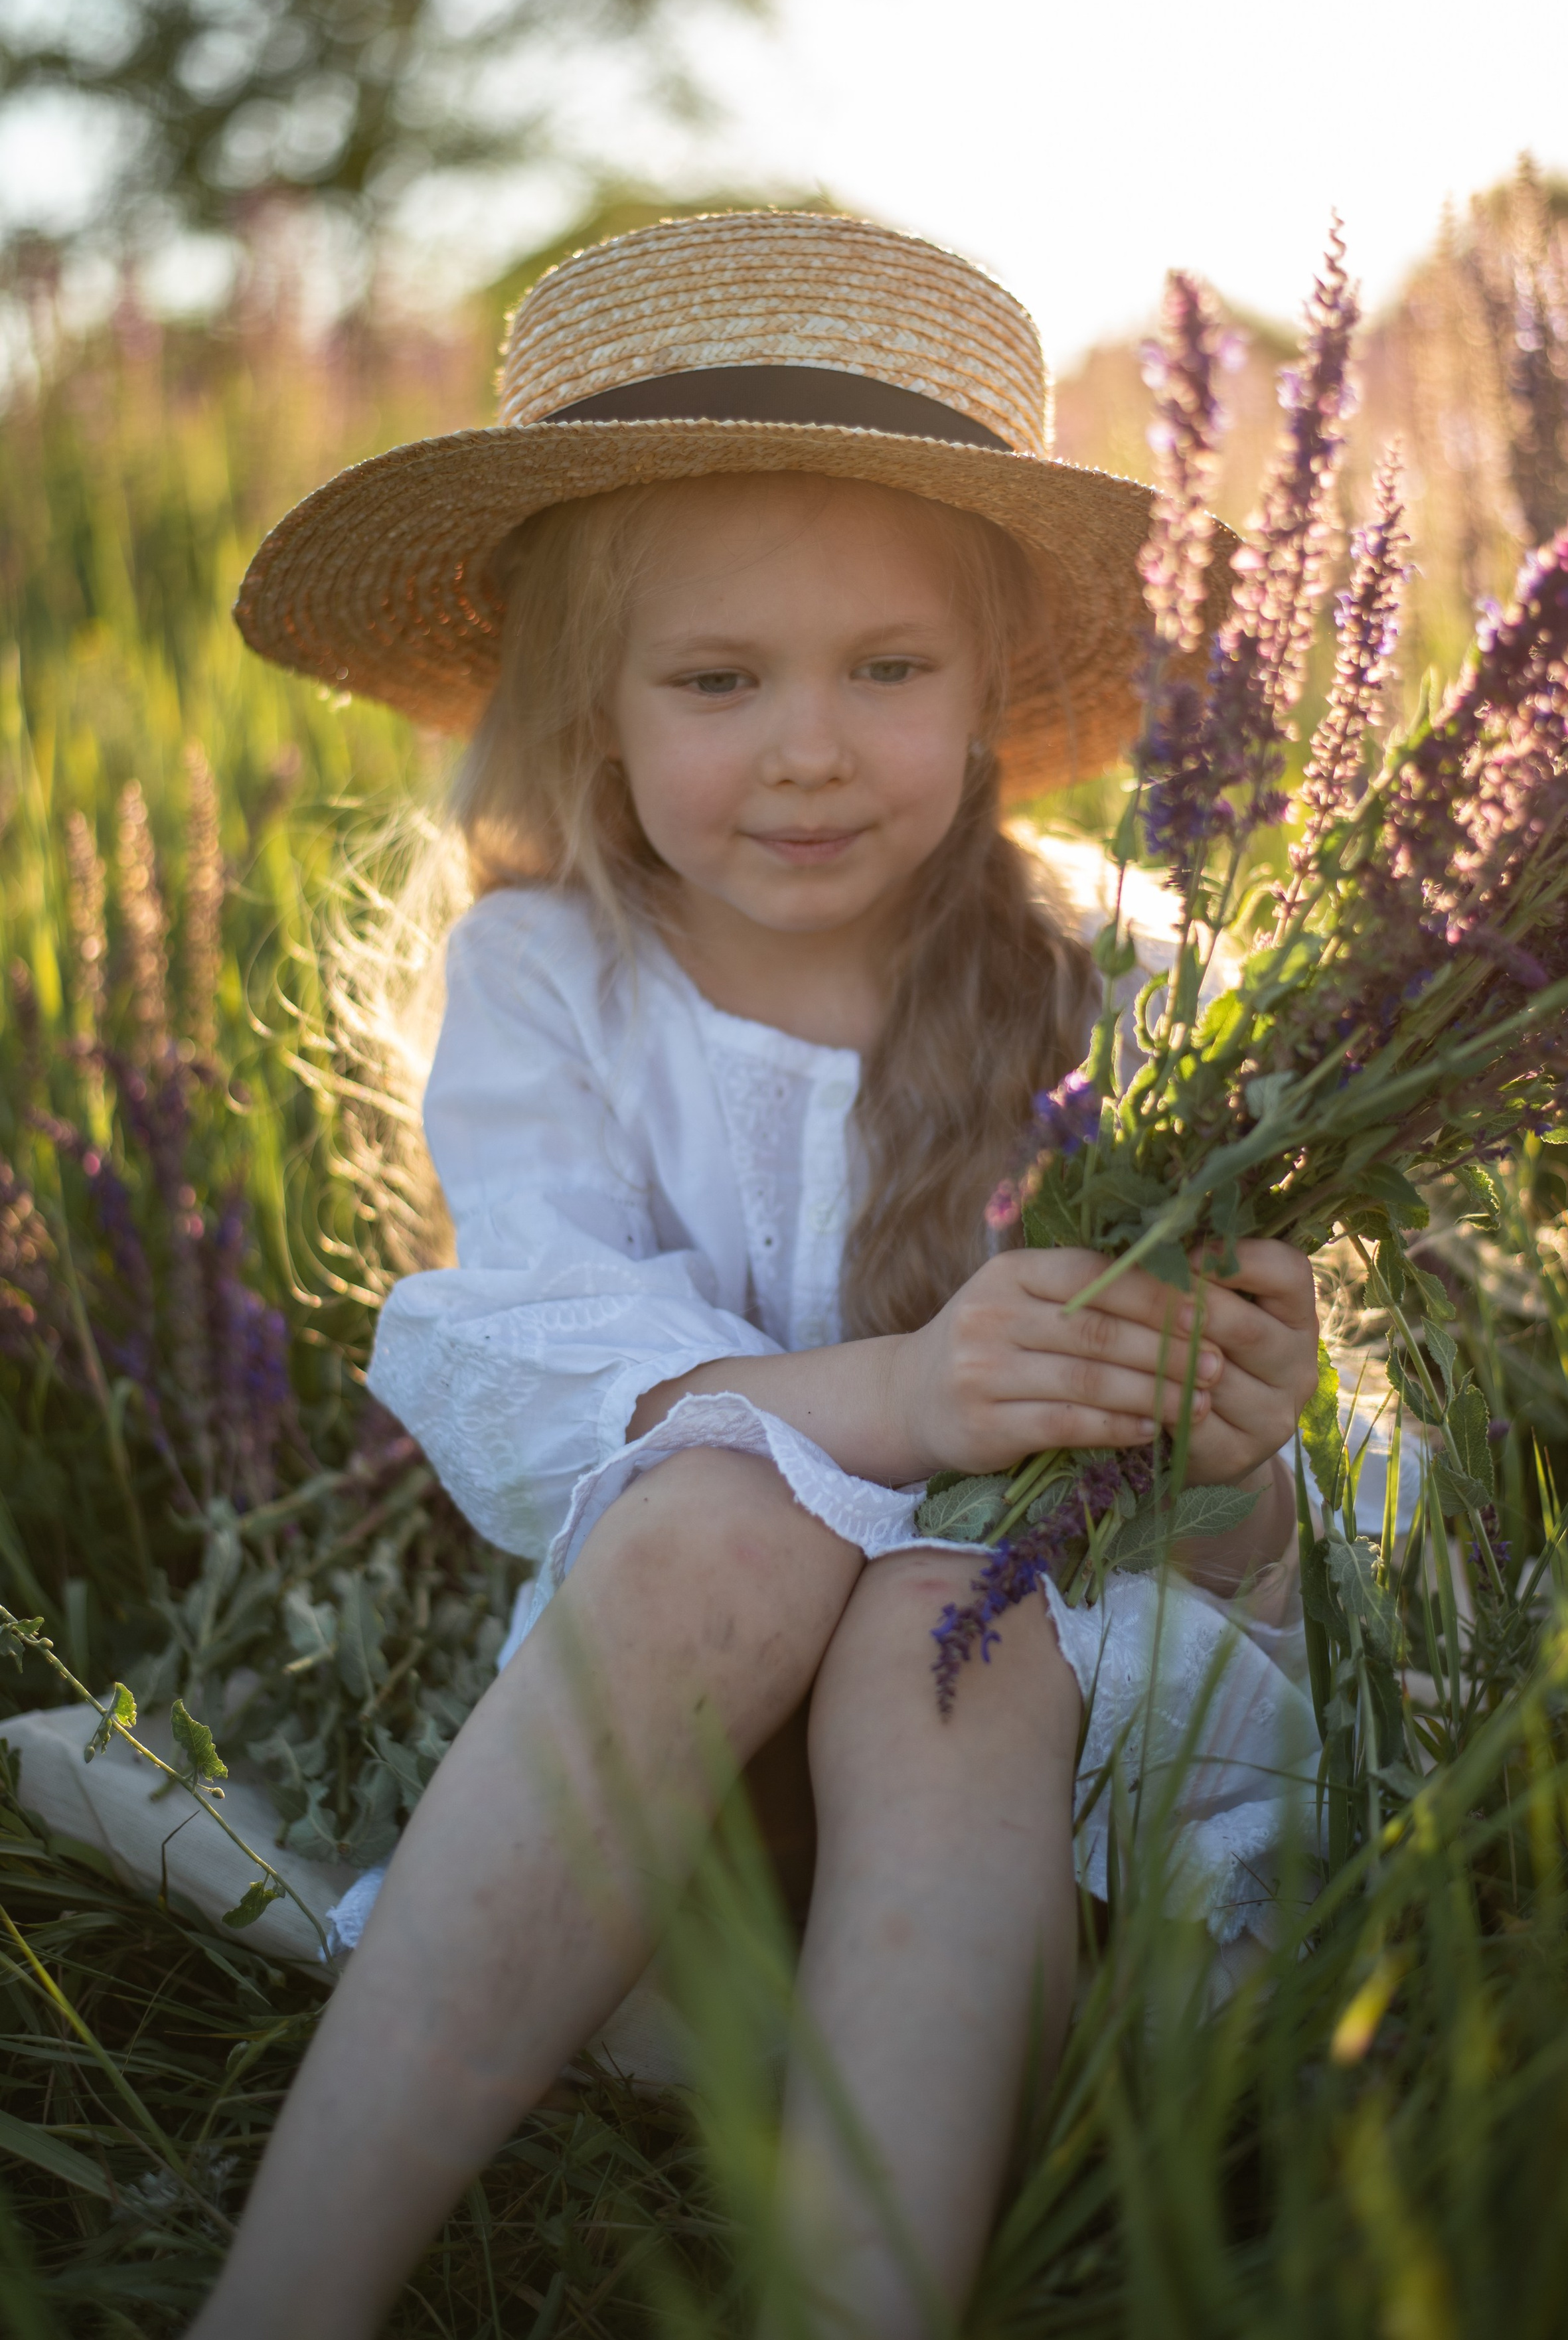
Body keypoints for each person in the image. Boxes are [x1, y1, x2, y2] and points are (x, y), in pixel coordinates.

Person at [193, 210, 1321, 2340]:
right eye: (719, 680)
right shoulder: (553, 981)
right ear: (586, 705)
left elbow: (1275, 1546)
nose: (808, 746)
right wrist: (900, 1398)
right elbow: (539, 1378)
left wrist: (1242, 1452)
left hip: (1050, 1821)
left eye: (886, 669)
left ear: (992, 682)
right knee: (723, 1513)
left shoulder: (1133, 976)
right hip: (690, 1781)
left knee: (938, 1618)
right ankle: (277, 2298)